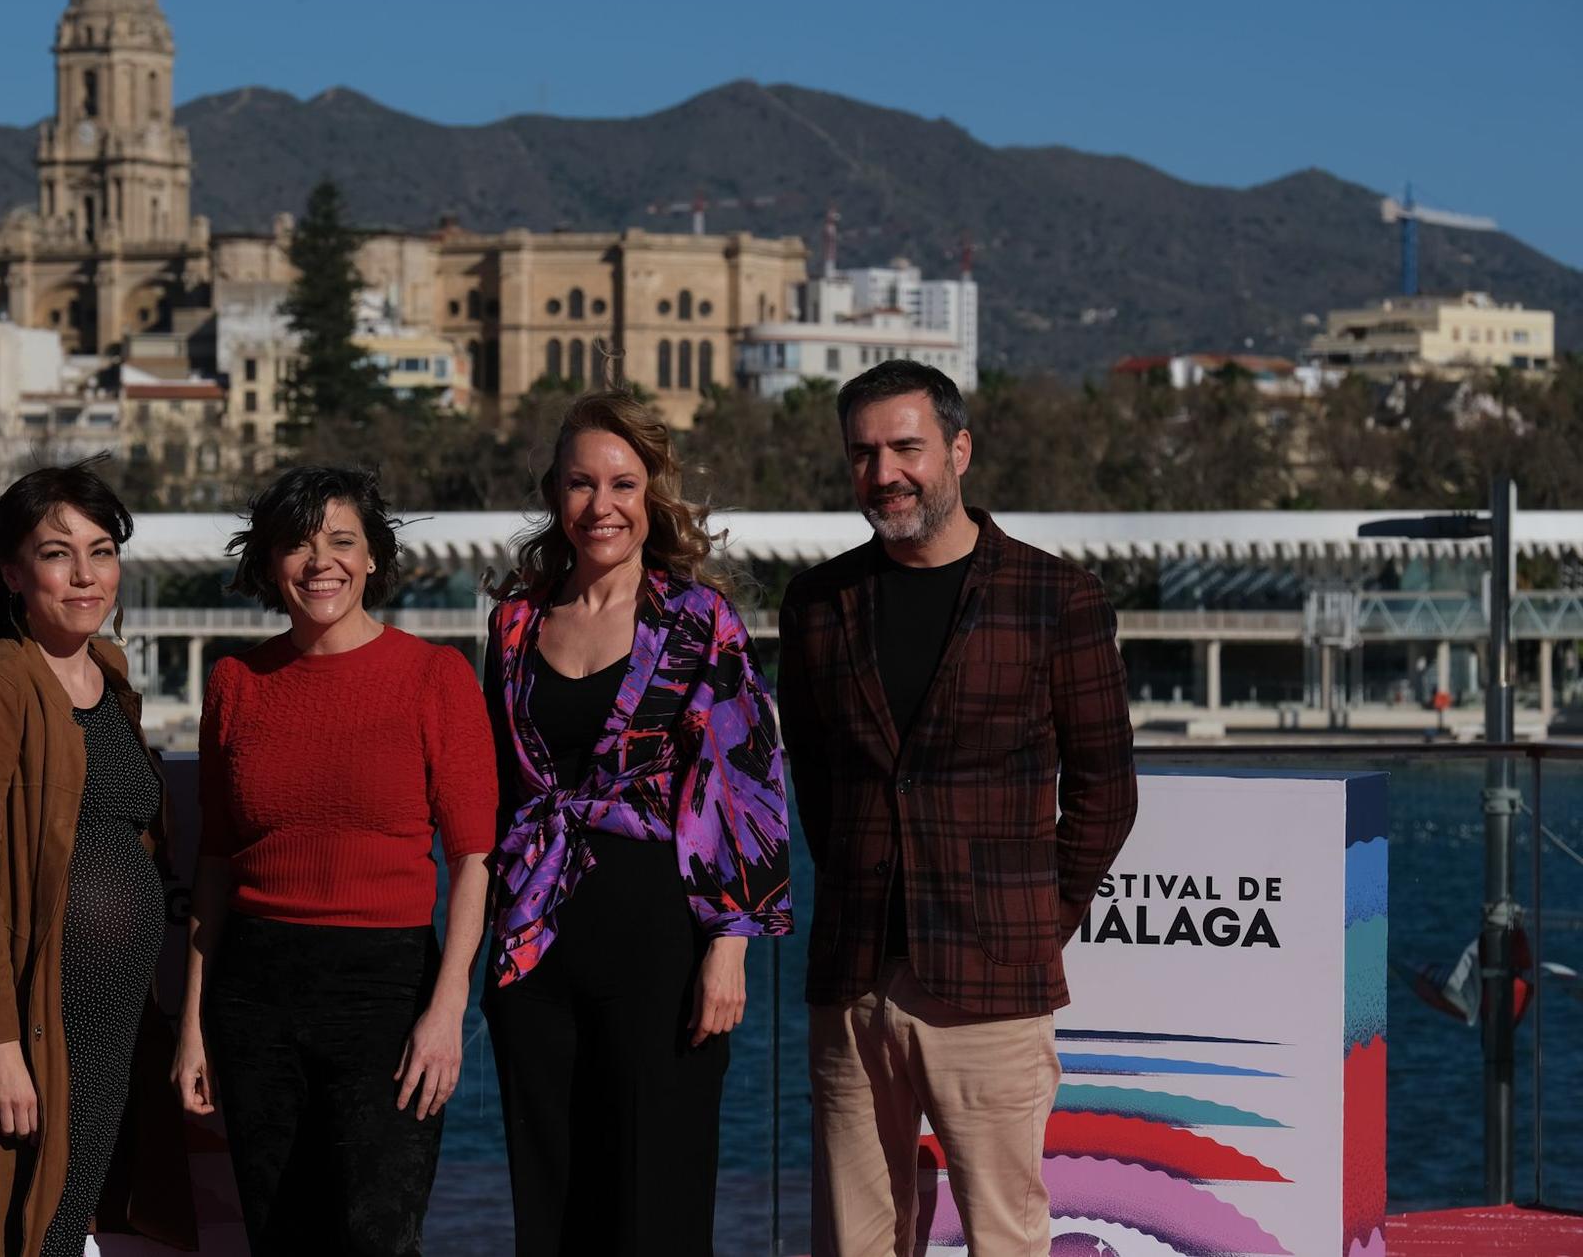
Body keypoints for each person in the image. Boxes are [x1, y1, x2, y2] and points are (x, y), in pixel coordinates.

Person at [777, 360, 1139, 1255]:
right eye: (864, 454)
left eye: (907, 447)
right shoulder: (818, 604)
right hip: (853, 981)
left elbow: (1106, 789)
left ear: (960, 450)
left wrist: (1038, 920)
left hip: (995, 983)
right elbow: (814, 778)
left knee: (1004, 1234)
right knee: (852, 1240)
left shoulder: (1058, 598)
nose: (885, 473)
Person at [483, 389, 792, 1256]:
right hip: (533, 949)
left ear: (652, 494)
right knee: (550, 1200)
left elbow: (751, 789)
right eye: (582, 484)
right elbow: (502, 793)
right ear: (556, 493)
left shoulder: (701, 622)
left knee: (657, 1198)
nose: (602, 505)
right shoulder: (512, 625)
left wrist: (729, 946)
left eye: (623, 483)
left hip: (662, 943)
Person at [174, 466, 497, 1256]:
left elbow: (475, 859)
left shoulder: (436, 677)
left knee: (379, 1236)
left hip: (385, 992)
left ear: (374, 559)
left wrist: (447, 1010)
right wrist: (192, 1024)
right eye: (297, 544)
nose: (322, 563)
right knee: (281, 1239)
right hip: (254, 993)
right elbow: (214, 863)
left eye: (342, 541)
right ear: (269, 563)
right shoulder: (236, 683)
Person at [0, 460, 194, 1257]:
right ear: (15, 572)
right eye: (59, 554)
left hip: (107, 1023)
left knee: (65, 1219)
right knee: (5, 1225)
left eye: (102, 550)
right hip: (30, 1021)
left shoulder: (112, 676)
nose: (86, 575)